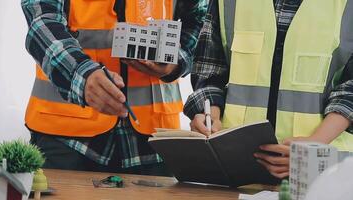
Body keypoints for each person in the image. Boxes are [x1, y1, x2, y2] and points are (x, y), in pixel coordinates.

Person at [21, 0, 207, 176]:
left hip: (155, 139)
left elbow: (201, 18)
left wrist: (177, 60)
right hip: (67, 136)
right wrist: (80, 73)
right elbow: (41, 22)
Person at [184, 0, 353, 178]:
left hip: (320, 168)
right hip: (236, 164)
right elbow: (209, 68)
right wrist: (209, 114)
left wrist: (317, 143)